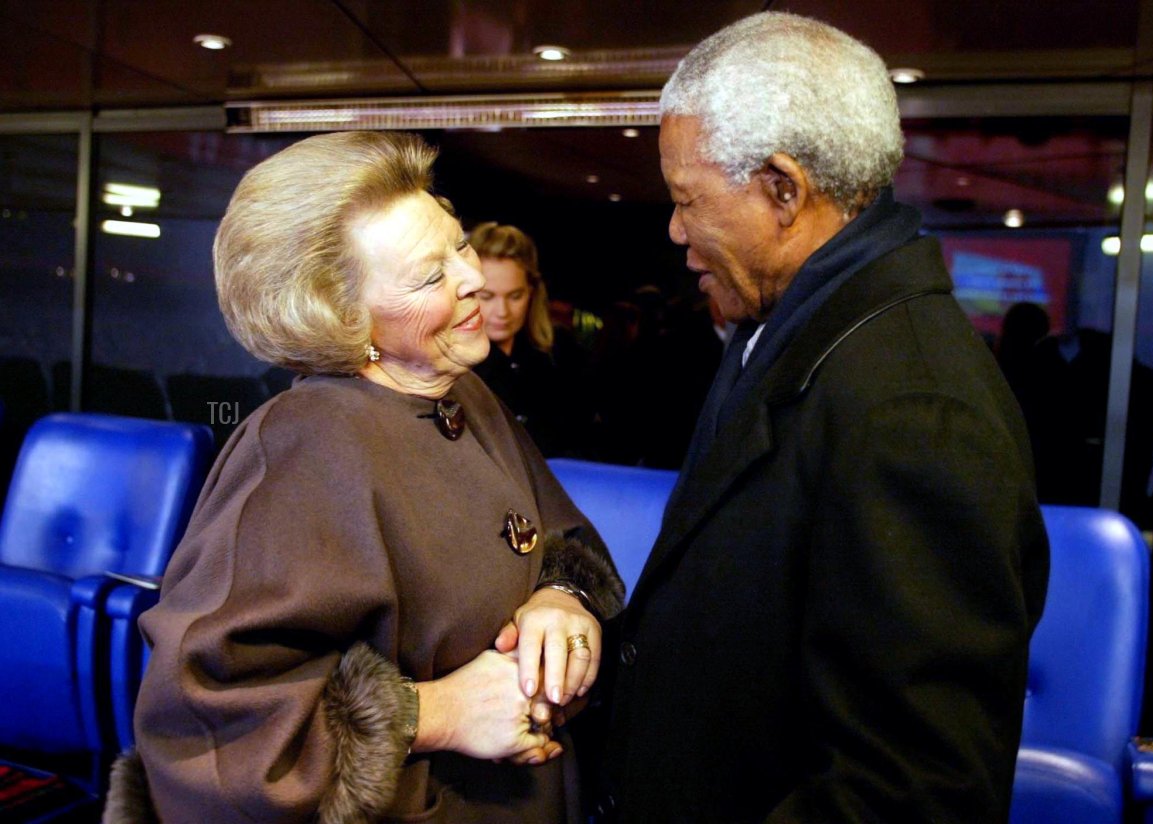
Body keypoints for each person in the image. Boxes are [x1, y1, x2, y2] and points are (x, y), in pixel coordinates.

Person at [601, 13, 1050, 823]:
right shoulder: (782, 328)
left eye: (686, 201)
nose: (674, 232)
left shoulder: (916, 410)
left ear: (783, 189)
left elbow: (914, 791)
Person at [101, 131, 623, 824]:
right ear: (343, 317)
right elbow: (207, 726)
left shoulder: (465, 393)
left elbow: (559, 536)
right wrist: (430, 713)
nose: (471, 279)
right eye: (430, 276)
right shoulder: (299, 443)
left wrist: (560, 597)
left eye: (457, 245)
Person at [468, 221, 580, 456]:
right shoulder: (451, 366)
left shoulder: (561, 351)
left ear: (532, 291)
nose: (502, 311)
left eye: (515, 296)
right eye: (487, 296)